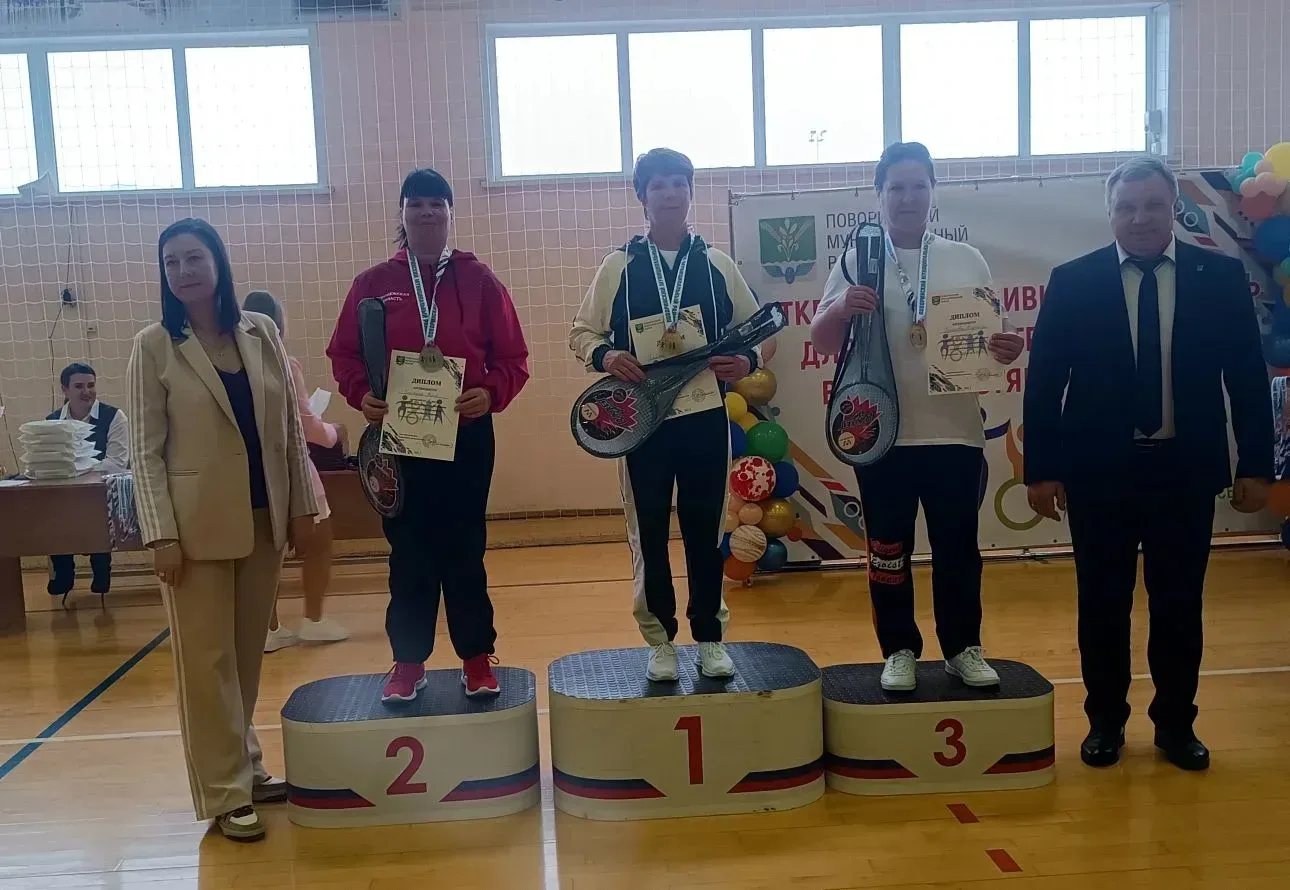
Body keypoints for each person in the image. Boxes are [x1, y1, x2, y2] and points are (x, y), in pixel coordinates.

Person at [1024, 157, 1273, 771]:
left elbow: (1247, 377)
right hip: (1099, 474)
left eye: (1153, 205)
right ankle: (1105, 722)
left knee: (1179, 606)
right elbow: (1045, 381)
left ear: (1173, 209)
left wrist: (1256, 464)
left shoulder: (1219, 278)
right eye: (1127, 207)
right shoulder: (1073, 281)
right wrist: (1042, 469)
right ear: (1110, 213)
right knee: (1102, 605)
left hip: (1184, 472)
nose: (1140, 218)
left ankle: (1176, 726)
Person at [128, 218, 318, 841]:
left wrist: (302, 506)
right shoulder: (154, 346)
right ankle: (223, 791)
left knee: (243, 660)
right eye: (171, 262)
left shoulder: (259, 331)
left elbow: (289, 430)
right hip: (193, 531)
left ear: (218, 262)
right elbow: (144, 453)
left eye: (193, 258)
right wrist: (161, 534)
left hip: (263, 520)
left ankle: (247, 768)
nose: (183, 272)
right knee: (206, 667)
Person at [810, 141, 1024, 693]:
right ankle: (899, 649)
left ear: (933, 192)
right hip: (880, 433)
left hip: (955, 431)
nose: (908, 198)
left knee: (958, 548)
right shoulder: (857, 260)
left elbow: (989, 342)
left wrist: (1005, 348)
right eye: (897, 188)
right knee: (887, 550)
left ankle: (963, 647)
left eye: (918, 186)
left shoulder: (965, 258)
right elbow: (822, 339)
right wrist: (842, 307)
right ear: (879, 195)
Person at [327, 167, 529, 703]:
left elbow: (514, 358)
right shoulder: (372, 284)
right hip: (400, 437)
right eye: (415, 203)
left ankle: (477, 658)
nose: (426, 212)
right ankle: (408, 662)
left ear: (450, 214)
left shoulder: (480, 280)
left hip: (466, 435)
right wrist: (362, 396)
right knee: (409, 553)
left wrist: (490, 393)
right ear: (402, 213)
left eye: (436, 203)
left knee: (465, 547)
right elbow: (344, 354)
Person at [569, 148, 761, 683]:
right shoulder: (619, 266)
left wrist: (746, 360)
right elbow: (581, 332)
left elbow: (757, 332)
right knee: (648, 533)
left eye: (679, 183)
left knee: (705, 531)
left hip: (704, 419)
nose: (670, 193)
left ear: (690, 192)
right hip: (641, 423)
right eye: (659, 185)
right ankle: (660, 641)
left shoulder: (717, 264)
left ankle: (710, 636)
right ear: (642, 196)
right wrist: (607, 356)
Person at [242, 291, 350, 652]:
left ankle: (267, 627)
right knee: (319, 541)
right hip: (291, 467)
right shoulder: (285, 363)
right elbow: (305, 424)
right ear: (278, 324)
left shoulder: (232, 362)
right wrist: (334, 432)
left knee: (262, 550)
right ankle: (313, 620)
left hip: (248, 472)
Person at [47, 361, 130, 598]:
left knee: (96, 511)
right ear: (65, 390)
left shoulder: (114, 416)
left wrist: (75, 472)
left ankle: (101, 568)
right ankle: (64, 572)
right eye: (79, 386)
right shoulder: (51, 421)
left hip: (102, 491)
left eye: (91, 385)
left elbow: (117, 462)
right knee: (52, 513)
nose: (87, 391)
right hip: (64, 495)